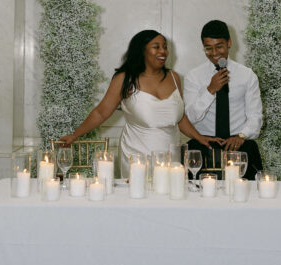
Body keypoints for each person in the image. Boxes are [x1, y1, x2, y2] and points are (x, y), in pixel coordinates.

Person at [58, 29, 212, 177]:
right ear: (142, 50)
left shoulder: (174, 77)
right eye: (156, 47)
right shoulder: (124, 79)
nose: (163, 51)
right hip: (137, 156)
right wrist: (75, 135)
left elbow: (179, 118)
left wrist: (200, 137)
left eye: (165, 47)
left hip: (171, 155)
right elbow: (101, 112)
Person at [184, 19, 263, 180]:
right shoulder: (194, 76)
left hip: (239, 144)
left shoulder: (247, 75)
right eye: (208, 48)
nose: (214, 53)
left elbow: (255, 116)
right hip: (203, 145)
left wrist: (242, 136)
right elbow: (190, 117)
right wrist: (210, 90)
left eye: (219, 46)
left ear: (229, 43)